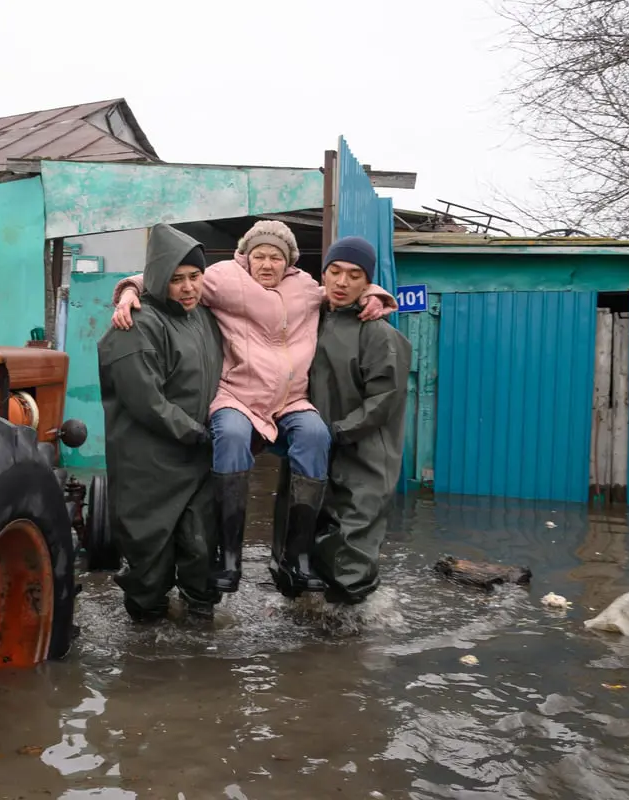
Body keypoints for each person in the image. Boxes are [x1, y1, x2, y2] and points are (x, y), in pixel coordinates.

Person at [110, 221, 397, 597]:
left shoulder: (307, 289)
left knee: (316, 435)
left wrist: (374, 296)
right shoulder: (223, 279)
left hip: (290, 399)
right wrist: (130, 292)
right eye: (259, 255)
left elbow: (345, 288)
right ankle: (229, 556)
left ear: (289, 262)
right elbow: (167, 273)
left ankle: (297, 557)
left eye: (276, 257)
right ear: (245, 257)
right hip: (237, 395)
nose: (267, 264)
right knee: (228, 435)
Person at [274, 234, 411, 604]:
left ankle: (352, 643)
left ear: (369, 281)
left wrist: (335, 432)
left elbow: (384, 400)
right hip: (312, 450)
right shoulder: (307, 319)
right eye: (334, 271)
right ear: (324, 273)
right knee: (299, 539)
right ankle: (309, 639)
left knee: (352, 546)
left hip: (363, 456)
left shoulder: (380, 334)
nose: (342, 282)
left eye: (354, 275)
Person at [97, 223, 224, 623]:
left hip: (197, 460)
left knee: (201, 551)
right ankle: (146, 655)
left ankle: (199, 643)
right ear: (157, 280)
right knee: (148, 563)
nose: (188, 288)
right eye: (176, 279)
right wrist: (199, 433)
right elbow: (147, 403)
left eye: (194, 277)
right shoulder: (134, 325)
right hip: (149, 467)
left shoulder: (202, 317)